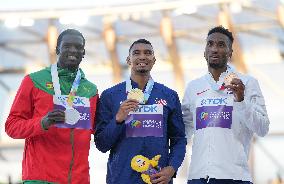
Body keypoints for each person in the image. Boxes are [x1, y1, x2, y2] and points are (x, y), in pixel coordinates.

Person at [5, 29, 98, 184]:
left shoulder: (91, 90)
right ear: (57, 50)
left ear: (84, 52)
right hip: (41, 178)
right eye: (67, 46)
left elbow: (98, 131)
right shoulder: (34, 81)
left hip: (78, 179)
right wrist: (43, 122)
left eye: (78, 47)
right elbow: (11, 126)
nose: (73, 50)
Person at [182, 26, 270, 184]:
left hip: (234, 177)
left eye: (221, 45)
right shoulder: (193, 87)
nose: (214, 49)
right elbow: (183, 134)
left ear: (230, 53)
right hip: (197, 177)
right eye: (210, 44)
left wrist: (241, 100)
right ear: (204, 52)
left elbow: (262, 128)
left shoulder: (248, 83)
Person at [94, 39, 186, 184]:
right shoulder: (110, 95)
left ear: (154, 60)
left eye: (147, 53)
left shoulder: (169, 95)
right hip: (121, 179)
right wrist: (118, 119)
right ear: (128, 60)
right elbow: (101, 145)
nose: (142, 57)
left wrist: (172, 168)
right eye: (136, 53)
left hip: (158, 179)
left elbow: (179, 139)